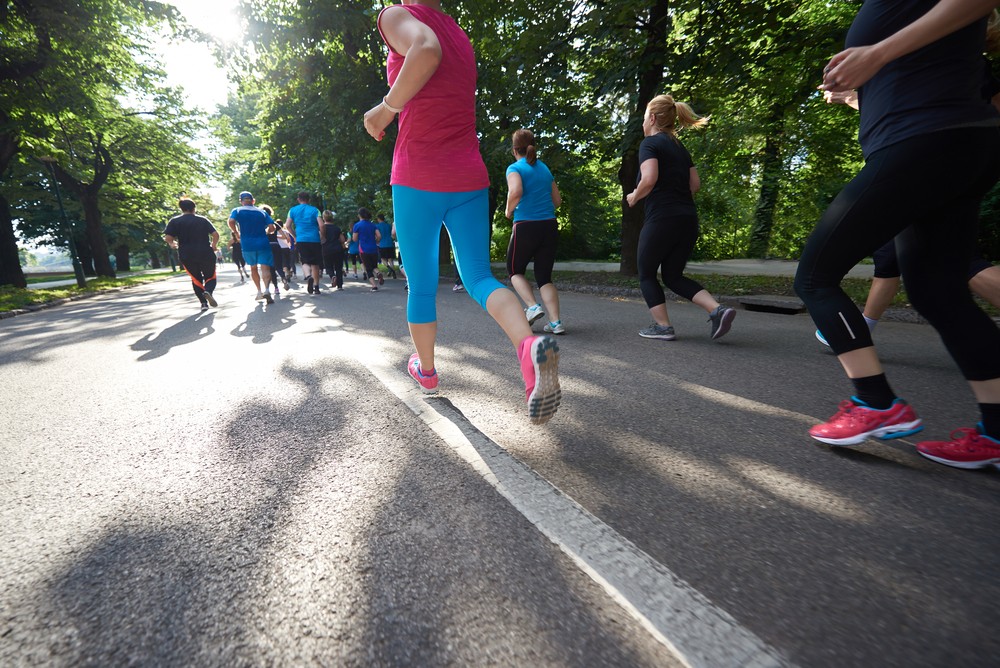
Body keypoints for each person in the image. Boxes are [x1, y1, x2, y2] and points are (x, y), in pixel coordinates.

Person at [793, 0, 1000, 469]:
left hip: (924, 141)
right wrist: (858, 94)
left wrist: (878, 54)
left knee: (814, 277)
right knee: (939, 294)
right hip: (942, 140)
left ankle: (876, 403)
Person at [363, 0, 561, 424]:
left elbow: (425, 49)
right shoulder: (458, 32)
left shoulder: (394, 15)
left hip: (418, 175)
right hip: (469, 178)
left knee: (421, 285)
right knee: (478, 276)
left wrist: (386, 108)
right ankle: (528, 349)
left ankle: (428, 372)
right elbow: (438, 53)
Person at [626, 94, 736, 342]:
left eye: (644, 118)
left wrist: (634, 196)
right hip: (687, 219)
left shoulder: (650, 144)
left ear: (652, 118)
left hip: (662, 218)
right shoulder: (679, 148)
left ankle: (663, 327)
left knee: (645, 273)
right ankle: (718, 310)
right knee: (673, 276)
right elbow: (694, 185)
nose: (643, 123)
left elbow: (649, 179)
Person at [504, 128, 565, 335]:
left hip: (526, 225)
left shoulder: (514, 168)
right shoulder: (544, 169)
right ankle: (556, 323)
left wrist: (509, 209)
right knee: (544, 277)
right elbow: (557, 201)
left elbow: (516, 191)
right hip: (549, 225)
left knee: (514, 270)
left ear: (514, 150)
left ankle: (532, 306)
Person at [163, 197, 219, 312]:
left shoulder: (175, 221)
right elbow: (215, 234)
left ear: (181, 209)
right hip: (205, 252)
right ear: (194, 208)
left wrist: (172, 244)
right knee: (210, 276)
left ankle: (203, 303)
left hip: (186, 254)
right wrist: (214, 245)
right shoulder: (202, 220)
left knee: (196, 278)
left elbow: (168, 237)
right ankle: (208, 291)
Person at [227, 191, 276, 304]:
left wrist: (235, 231)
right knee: (265, 267)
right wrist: (266, 231)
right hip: (263, 242)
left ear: (241, 201)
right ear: (253, 200)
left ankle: (259, 292)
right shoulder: (262, 212)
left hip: (247, 243)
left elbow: (231, 221)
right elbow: (272, 227)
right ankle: (267, 290)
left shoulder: (237, 210)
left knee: (253, 268)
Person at [285, 191, 325, 295]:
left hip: (301, 239)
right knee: (315, 264)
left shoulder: (292, 210)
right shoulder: (315, 210)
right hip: (314, 239)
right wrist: (323, 236)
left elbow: (288, 225)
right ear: (309, 200)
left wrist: (295, 236)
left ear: (298, 199)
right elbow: (321, 225)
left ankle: (308, 276)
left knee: (304, 261)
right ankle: (316, 287)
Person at [352, 207, 383, 292]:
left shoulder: (357, 225)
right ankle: (378, 273)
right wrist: (376, 241)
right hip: (374, 248)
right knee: (374, 266)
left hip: (364, 249)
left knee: (368, 268)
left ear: (359, 215)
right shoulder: (373, 225)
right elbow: (379, 236)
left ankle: (374, 286)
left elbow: (354, 239)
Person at [260, 204, 284, 297]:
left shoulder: (261, 224)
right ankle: (283, 278)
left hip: (266, 247)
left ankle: (276, 288)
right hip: (276, 245)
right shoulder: (275, 223)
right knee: (279, 266)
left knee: (271, 269)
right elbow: (284, 236)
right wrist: (275, 236)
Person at [321, 210, 346, 290]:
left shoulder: (322, 228)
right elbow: (342, 240)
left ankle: (332, 276)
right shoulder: (337, 228)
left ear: (323, 218)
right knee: (338, 267)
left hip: (326, 249)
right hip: (337, 249)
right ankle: (340, 285)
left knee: (328, 266)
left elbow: (320, 238)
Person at [375, 213, 398, 278]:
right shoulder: (388, 225)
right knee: (390, 259)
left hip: (382, 244)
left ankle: (389, 269)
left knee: (382, 259)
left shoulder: (377, 226)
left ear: (379, 219)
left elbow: (377, 236)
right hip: (390, 243)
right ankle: (393, 273)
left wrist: (376, 241)